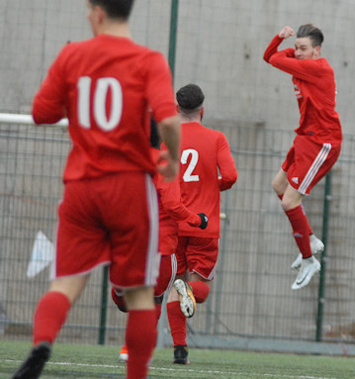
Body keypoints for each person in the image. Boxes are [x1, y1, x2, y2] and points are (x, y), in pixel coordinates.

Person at [12, 1, 181, 378]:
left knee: (65, 284)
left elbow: (41, 112)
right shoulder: (149, 59)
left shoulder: (73, 55)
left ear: (100, 13)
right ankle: (136, 375)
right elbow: (168, 119)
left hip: (82, 187)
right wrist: (173, 155)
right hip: (129, 187)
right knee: (139, 294)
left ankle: (42, 343)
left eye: (88, 10)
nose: (87, 17)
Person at [111, 119, 208, 363]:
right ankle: (132, 348)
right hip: (161, 244)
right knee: (154, 298)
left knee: (129, 299)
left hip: (131, 240)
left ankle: (121, 291)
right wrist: (197, 219)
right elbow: (174, 205)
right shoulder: (165, 163)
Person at [263, 24, 343, 290]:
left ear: (317, 50)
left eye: (303, 48)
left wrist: (281, 44)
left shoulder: (318, 68)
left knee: (289, 202)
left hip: (322, 142)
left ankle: (310, 259)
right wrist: (283, 40)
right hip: (305, 137)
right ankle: (309, 239)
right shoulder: (303, 61)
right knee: (278, 185)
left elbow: (273, 58)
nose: (297, 53)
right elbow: (269, 57)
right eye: (296, 47)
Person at [166, 83, 237, 364]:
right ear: (202, 111)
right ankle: (189, 292)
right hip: (205, 225)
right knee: (199, 289)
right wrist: (211, 187)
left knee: (175, 284)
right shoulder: (216, 138)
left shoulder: (168, 138)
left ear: (176, 109)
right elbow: (230, 176)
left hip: (174, 223)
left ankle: (180, 349)